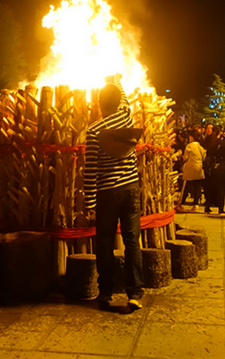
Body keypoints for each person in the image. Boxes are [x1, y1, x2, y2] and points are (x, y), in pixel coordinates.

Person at [84, 75, 143, 312]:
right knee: (132, 242)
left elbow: (91, 169)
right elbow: (125, 100)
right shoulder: (126, 117)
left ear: (99, 104)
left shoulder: (94, 130)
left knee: (105, 243)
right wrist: (116, 80)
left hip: (107, 193)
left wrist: (89, 200)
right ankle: (135, 293)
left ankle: (106, 292)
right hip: (130, 190)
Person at [181, 129, 206, 210]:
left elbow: (185, 157)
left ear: (191, 137)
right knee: (197, 186)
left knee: (186, 185)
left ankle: (182, 202)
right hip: (199, 168)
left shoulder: (189, 146)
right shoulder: (200, 146)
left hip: (190, 167)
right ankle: (196, 203)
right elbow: (204, 156)